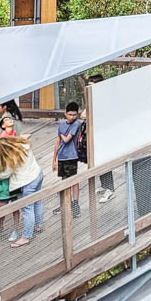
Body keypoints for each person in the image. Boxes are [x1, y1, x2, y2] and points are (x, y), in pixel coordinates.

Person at [0, 134, 44, 248]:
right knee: (37, 202)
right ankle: (38, 225)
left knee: (27, 209)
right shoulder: (23, 144)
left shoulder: (12, 156)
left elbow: (6, 173)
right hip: (37, 174)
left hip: (27, 182)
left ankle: (26, 236)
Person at [82, 74, 115, 203]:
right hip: (96, 134)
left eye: (91, 86)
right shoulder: (93, 99)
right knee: (98, 161)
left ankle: (110, 189)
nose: (88, 89)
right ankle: (104, 185)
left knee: (105, 161)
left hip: (104, 135)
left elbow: (84, 115)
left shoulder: (102, 100)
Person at [51, 102, 83, 219]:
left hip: (72, 156)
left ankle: (75, 204)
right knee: (64, 180)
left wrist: (61, 135)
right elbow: (57, 143)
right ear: (65, 114)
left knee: (74, 180)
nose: (72, 117)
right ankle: (66, 203)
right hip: (62, 156)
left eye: (74, 115)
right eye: (70, 114)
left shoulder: (76, 124)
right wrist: (54, 159)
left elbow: (66, 140)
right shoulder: (61, 125)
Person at [0, 117, 20, 238]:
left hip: (12, 183)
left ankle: (15, 229)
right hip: (3, 186)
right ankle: (0, 228)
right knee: (2, 207)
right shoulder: (3, 137)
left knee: (14, 207)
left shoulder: (13, 133)